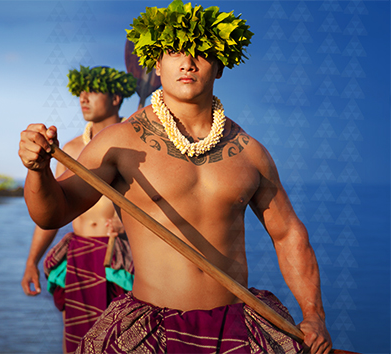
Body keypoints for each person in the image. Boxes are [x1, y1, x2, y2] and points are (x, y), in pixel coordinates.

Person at [18, 1, 333, 354]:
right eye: (174, 50)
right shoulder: (120, 142)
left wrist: (314, 315)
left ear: (220, 66)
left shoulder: (249, 152)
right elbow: (51, 214)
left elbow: (288, 233)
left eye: (201, 51)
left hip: (237, 329)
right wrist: (38, 171)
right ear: (157, 62)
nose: (187, 61)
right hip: (151, 331)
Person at [20, 65, 137, 353]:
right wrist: (31, 262)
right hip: (79, 254)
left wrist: (131, 223)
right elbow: (54, 211)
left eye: (93, 90)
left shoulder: (137, 144)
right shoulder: (69, 151)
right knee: (76, 342)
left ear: (116, 98)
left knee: (126, 342)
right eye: (80, 92)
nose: (83, 98)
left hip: (120, 258)